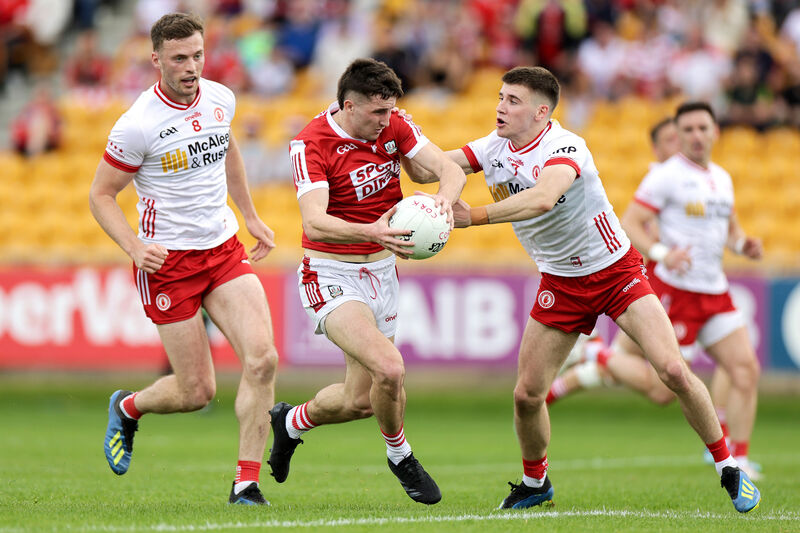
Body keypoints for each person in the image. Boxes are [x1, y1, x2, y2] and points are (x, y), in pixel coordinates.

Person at [403, 67, 760, 513]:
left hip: (615, 272)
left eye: (512, 100)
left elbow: (542, 198)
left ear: (541, 112)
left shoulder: (566, 145)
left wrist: (472, 216)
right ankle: (535, 483)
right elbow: (427, 170)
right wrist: (406, 141)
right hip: (560, 282)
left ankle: (729, 468)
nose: (500, 107)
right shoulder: (492, 148)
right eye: (500, 97)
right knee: (526, 395)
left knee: (672, 370)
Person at [89, 13, 279, 506]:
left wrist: (250, 215)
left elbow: (227, 149)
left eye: (197, 55)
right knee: (196, 392)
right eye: (179, 58)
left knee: (263, 360)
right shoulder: (137, 125)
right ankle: (129, 407)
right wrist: (134, 247)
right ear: (156, 59)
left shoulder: (220, 98)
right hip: (168, 263)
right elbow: (101, 195)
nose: (192, 66)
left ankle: (246, 484)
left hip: (222, 249)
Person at [268, 57, 465, 505]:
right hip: (330, 273)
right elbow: (315, 222)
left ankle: (290, 422)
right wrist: (372, 231)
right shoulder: (310, 143)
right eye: (378, 111)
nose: (385, 120)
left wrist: (441, 203)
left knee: (360, 401)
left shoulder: (394, 125)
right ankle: (400, 456)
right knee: (390, 368)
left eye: (390, 110)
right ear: (349, 105)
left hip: (382, 271)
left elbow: (450, 170)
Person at [548, 104, 764, 479]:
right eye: (688, 129)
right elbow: (630, 222)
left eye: (703, 128)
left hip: (715, 291)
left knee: (745, 369)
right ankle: (598, 355)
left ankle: (740, 460)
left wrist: (743, 245)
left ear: (715, 132)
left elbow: (730, 230)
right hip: (677, 292)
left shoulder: (722, 178)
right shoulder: (666, 176)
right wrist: (663, 253)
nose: (696, 135)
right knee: (664, 391)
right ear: (678, 135)